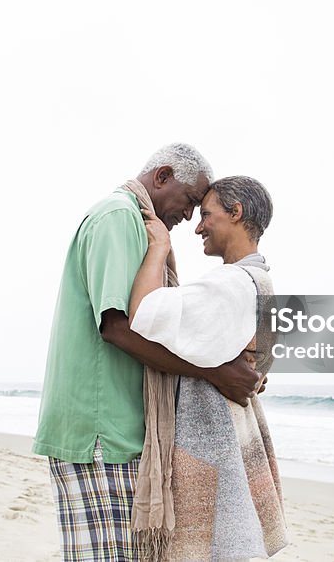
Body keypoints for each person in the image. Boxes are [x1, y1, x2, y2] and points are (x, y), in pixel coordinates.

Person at [34, 144, 262, 562]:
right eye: (191, 200)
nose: (190, 217)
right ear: (162, 177)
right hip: (99, 429)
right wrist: (214, 372)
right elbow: (118, 327)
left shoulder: (135, 223)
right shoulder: (119, 217)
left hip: (117, 427)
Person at [129, 176, 288, 561]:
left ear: (236, 213)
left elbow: (144, 314)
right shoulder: (264, 283)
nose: (198, 226)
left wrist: (159, 248)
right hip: (233, 442)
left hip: (209, 446)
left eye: (206, 215)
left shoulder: (233, 284)